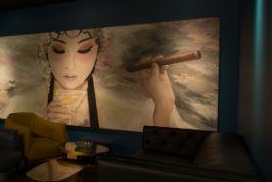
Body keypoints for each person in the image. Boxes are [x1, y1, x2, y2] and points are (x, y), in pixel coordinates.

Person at [42, 29, 181, 128]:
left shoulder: (132, 110)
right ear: (45, 53)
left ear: (99, 53)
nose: (70, 65)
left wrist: (164, 105)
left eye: (84, 50)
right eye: (58, 50)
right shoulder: (31, 103)